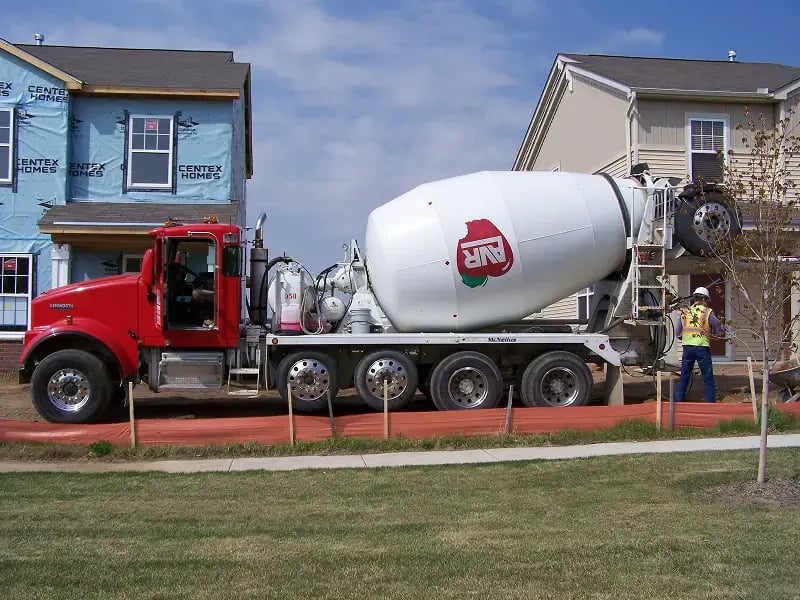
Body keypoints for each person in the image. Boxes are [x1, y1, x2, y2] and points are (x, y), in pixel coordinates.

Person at [674, 286, 725, 403]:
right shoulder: (708, 312)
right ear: (705, 299)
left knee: (684, 376)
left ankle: (678, 402)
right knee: (707, 378)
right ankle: (710, 403)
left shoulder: (685, 312)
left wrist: (687, 337)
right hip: (702, 347)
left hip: (687, 348)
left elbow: (678, 333)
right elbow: (719, 331)